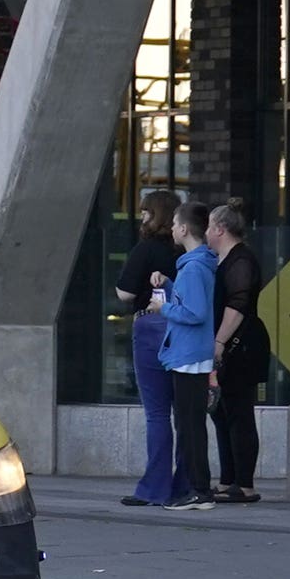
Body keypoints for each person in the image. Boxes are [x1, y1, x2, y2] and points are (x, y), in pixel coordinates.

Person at [147, 199, 217, 508]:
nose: (172, 229)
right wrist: (170, 283)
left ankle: (199, 490)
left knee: (189, 428)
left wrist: (164, 307)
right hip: (194, 353)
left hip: (188, 356)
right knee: (192, 425)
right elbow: (194, 301)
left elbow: (195, 312)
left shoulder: (193, 267)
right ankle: (199, 488)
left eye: (175, 224)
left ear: (185, 229)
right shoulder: (197, 266)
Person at [116, 189, 182, 508]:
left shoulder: (145, 249)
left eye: (145, 212)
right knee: (185, 413)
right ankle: (186, 484)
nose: (141, 217)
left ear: (156, 216)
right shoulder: (185, 250)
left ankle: (154, 487)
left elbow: (125, 293)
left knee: (157, 413)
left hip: (152, 325)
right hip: (184, 327)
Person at [203, 202, 270, 503]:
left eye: (208, 226)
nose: (205, 232)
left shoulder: (241, 260)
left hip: (241, 345)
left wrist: (218, 342)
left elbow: (238, 305)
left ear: (220, 229)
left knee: (239, 411)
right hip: (229, 342)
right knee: (221, 411)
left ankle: (244, 483)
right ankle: (228, 478)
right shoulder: (223, 259)